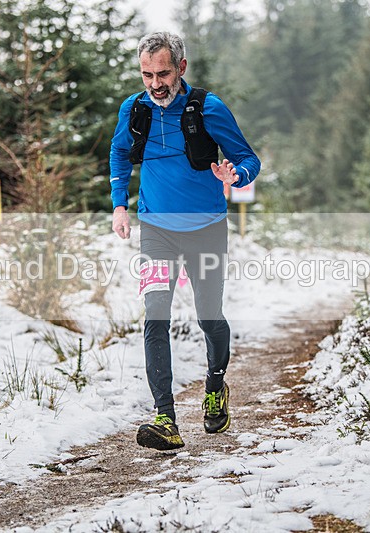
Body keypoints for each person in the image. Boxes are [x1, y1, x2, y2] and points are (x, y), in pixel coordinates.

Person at [109, 32, 261, 451]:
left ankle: (215, 384)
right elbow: (119, 153)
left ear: (181, 67)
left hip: (206, 229)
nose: (155, 84)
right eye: (146, 75)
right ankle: (165, 418)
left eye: (162, 74)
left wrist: (237, 175)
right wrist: (119, 205)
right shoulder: (134, 109)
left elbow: (249, 159)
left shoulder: (208, 108)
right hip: (156, 231)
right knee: (155, 315)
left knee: (209, 317)